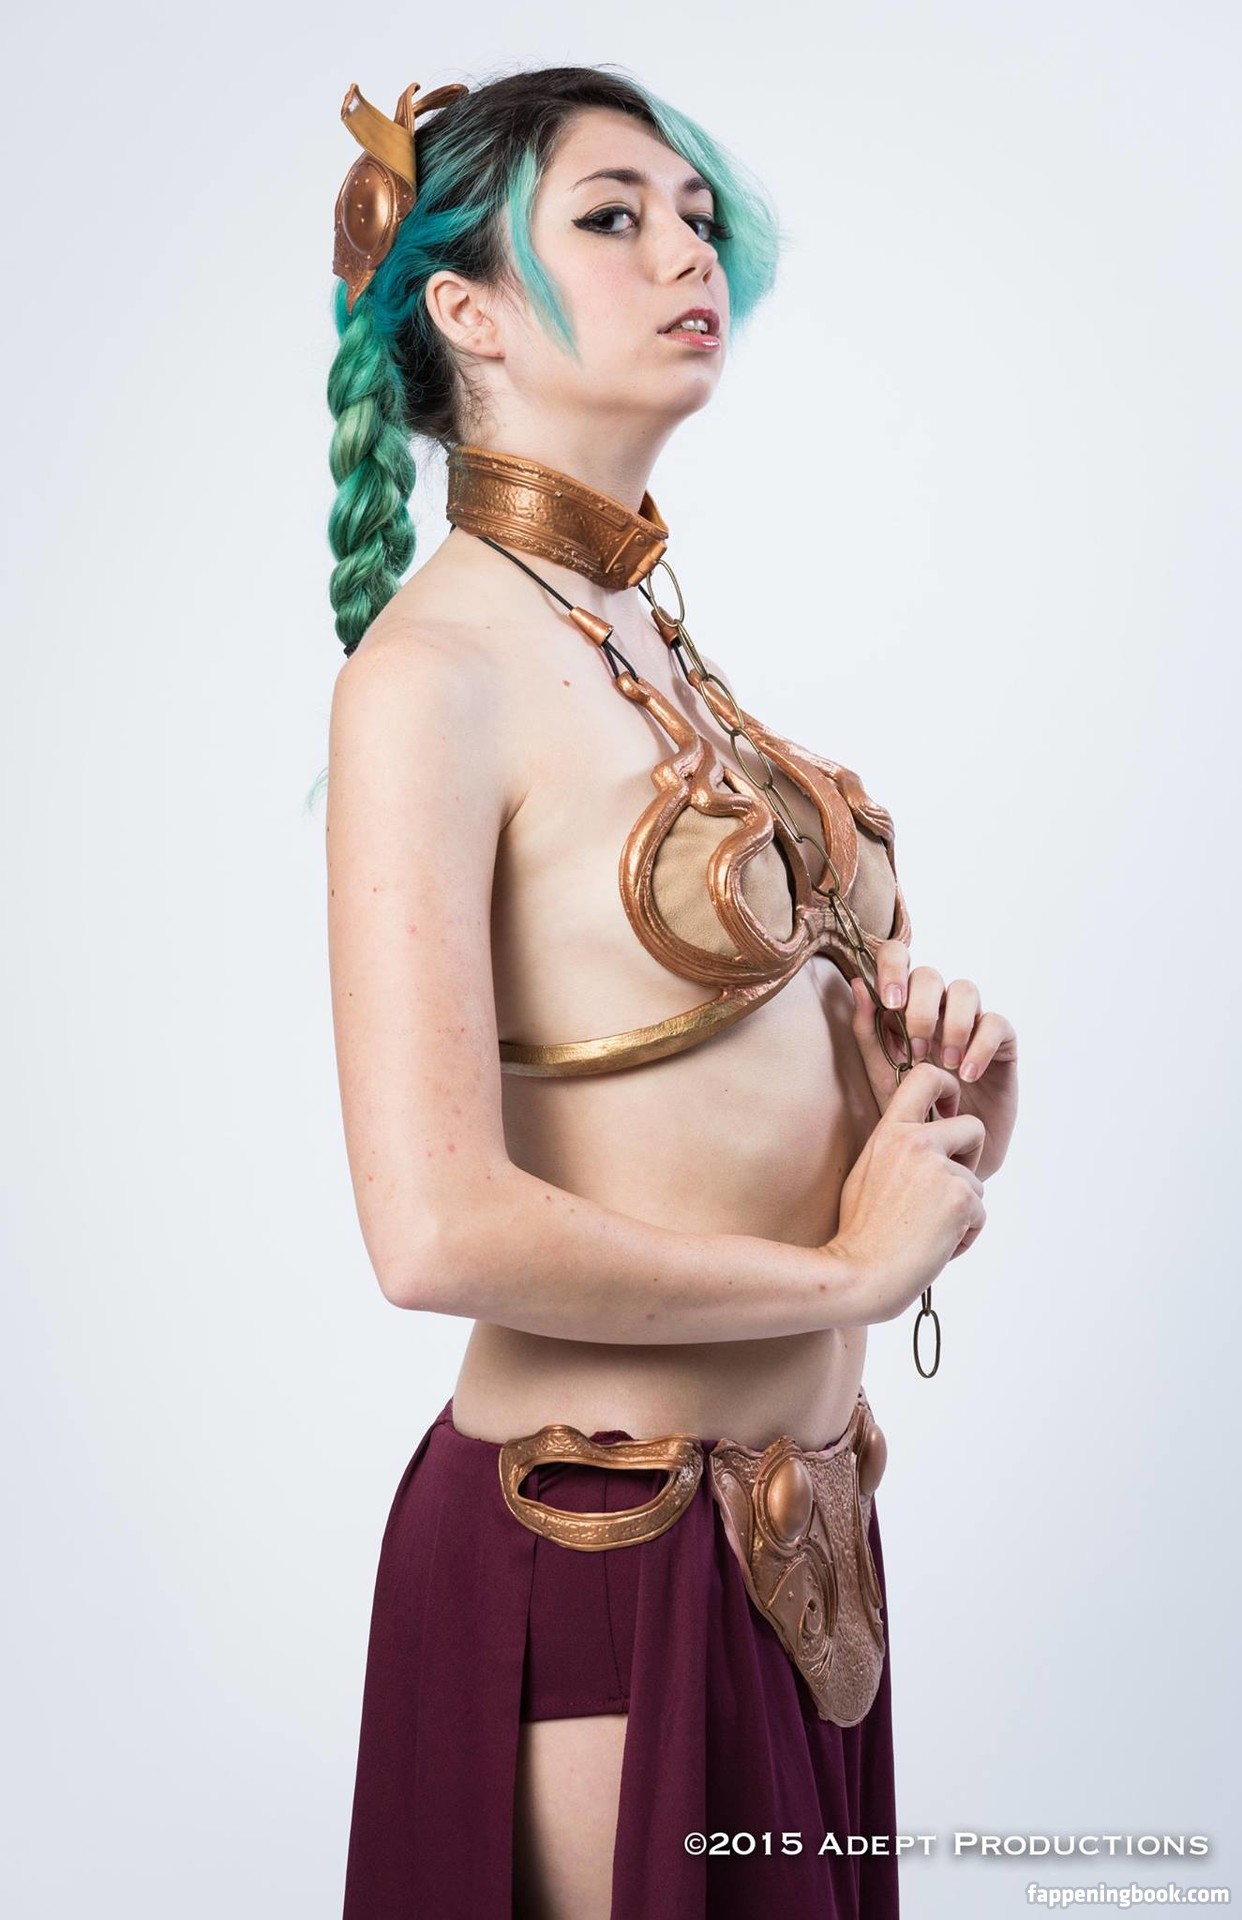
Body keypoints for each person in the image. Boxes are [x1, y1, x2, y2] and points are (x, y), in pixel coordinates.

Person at [323, 62, 1018, 1920]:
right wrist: (845, 1278)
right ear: (465, 311)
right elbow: (429, 1229)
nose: (684, 253)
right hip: (600, 1552)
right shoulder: (430, 679)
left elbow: (701, 1108)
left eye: (695, 218)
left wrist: (918, 1117)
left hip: (800, 1545)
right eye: (611, 219)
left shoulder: (645, 633)